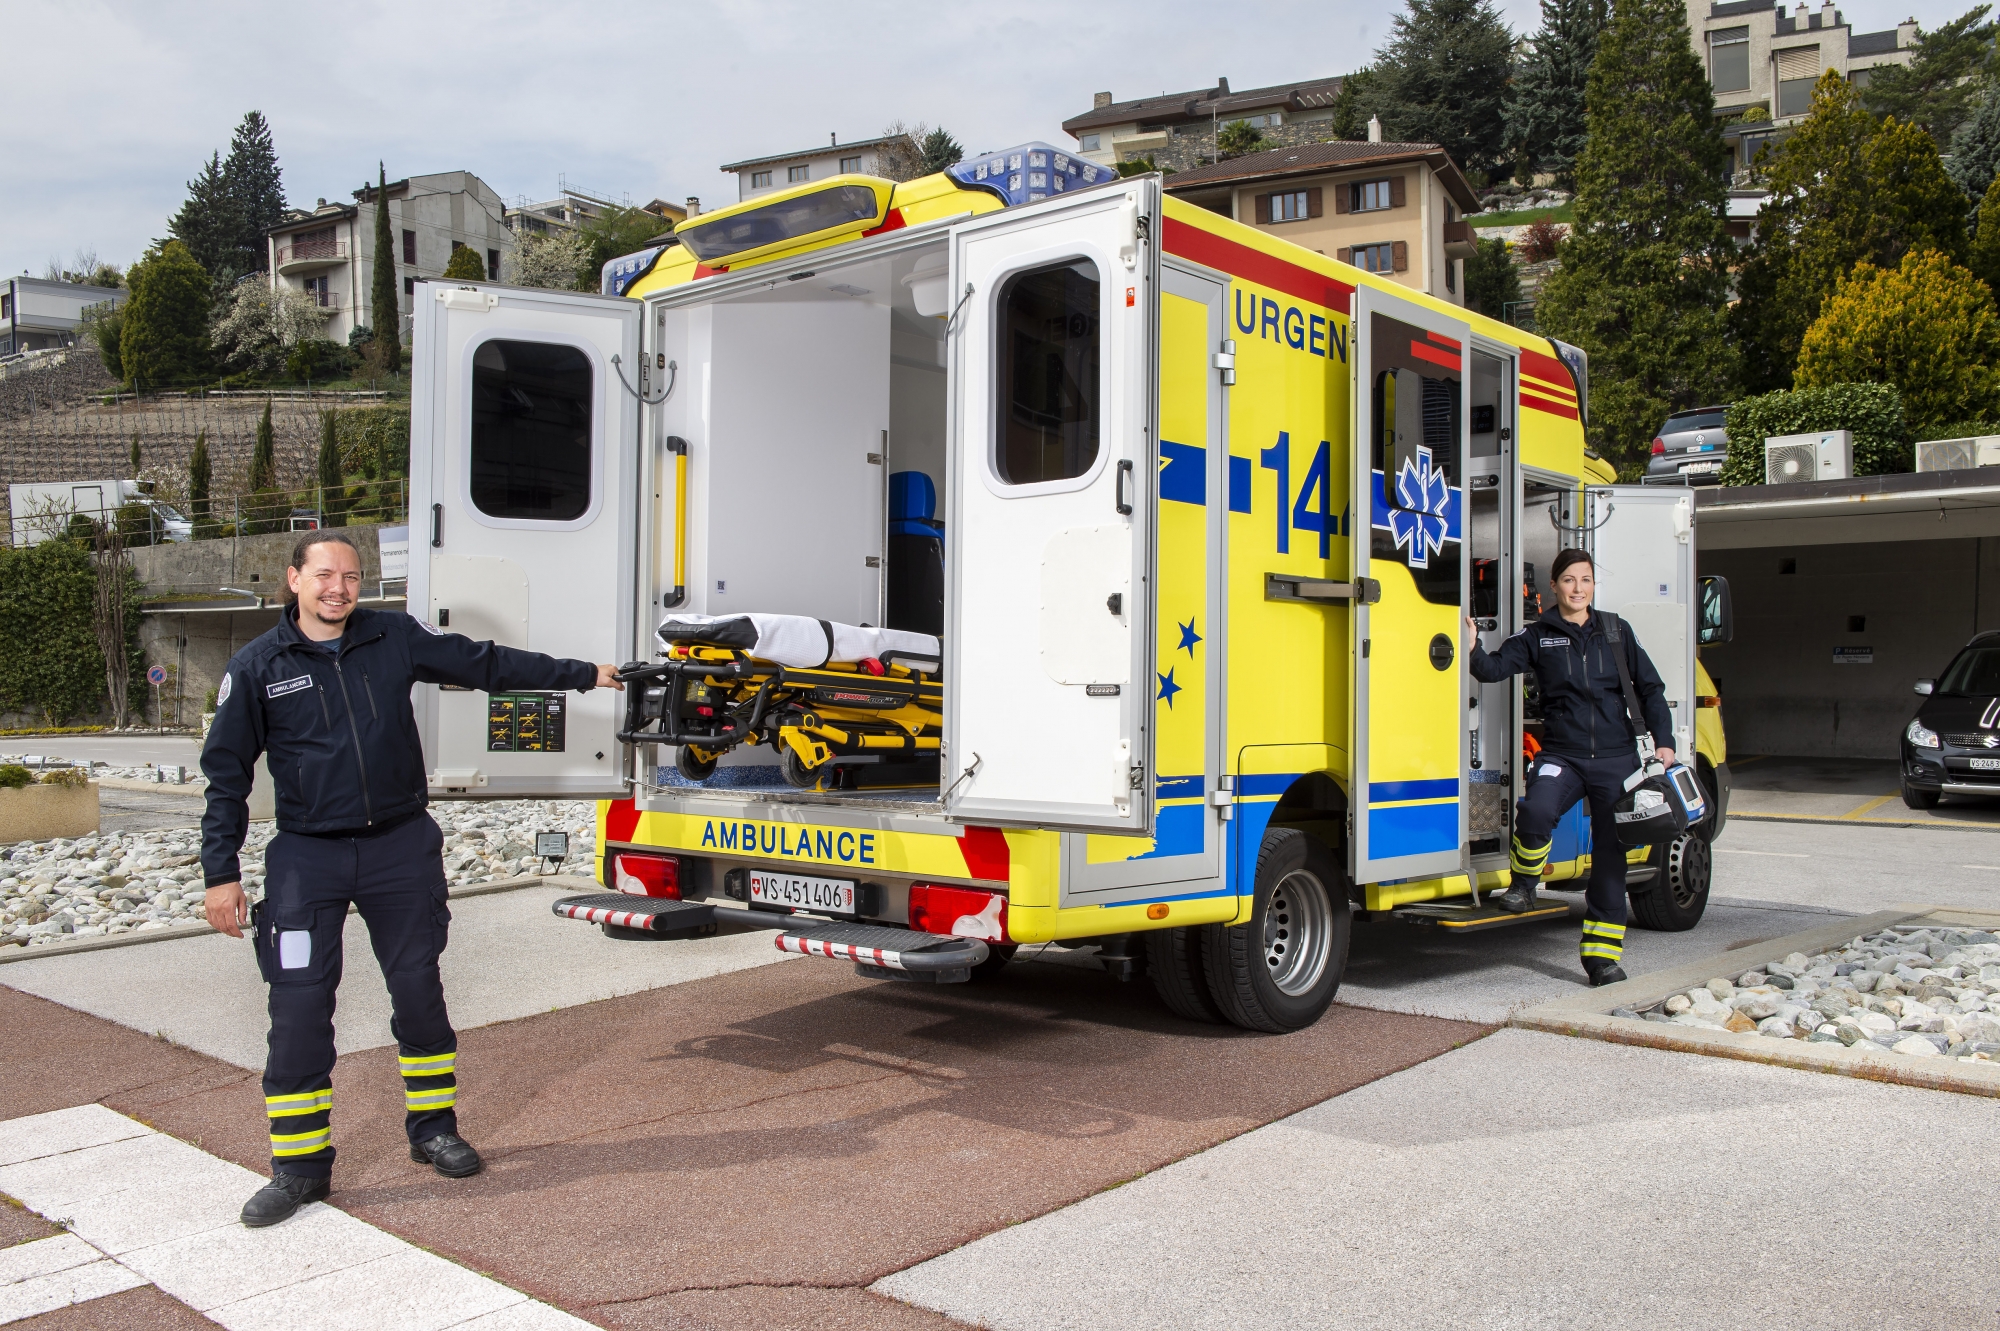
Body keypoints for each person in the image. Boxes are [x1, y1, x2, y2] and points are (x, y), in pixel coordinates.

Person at [201, 530, 622, 1227]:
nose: (339, 588)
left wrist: (586, 673)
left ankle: (433, 1128)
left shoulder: (393, 637)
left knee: (419, 989)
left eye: (352, 576)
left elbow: (484, 663)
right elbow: (226, 777)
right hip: (308, 856)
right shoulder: (257, 666)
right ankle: (299, 1169)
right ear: (294, 579)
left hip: (400, 846)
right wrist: (222, 873)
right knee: (299, 1011)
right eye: (325, 575)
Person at [1463, 547, 1675, 987]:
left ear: (1593, 585)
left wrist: (1665, 743)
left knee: (1611, 857)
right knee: (1537, 811)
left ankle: (1602, 959)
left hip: (1618, 759)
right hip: (1563, 754)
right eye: (1569, 580)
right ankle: (1524, 885)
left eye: (1586, 580)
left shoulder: (1616, 631)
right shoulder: (1538, 636)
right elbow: (1492, 669)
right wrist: (1472, 646)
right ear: (1554, 587)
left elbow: (1651, 689)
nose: (1578, 589)